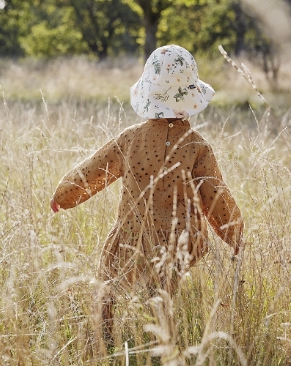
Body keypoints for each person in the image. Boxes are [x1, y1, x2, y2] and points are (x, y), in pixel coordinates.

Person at [50, 44, 244, 348]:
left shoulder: (130, 139)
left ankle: (106, 336)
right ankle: (162, 341)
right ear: (191, 96)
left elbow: (93, 169)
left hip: (132, 231)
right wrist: (235, 234)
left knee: (108, 282)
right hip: (179, 238)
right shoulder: (197, 146)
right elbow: (215, 196)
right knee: (163, 287)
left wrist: (64, 195)